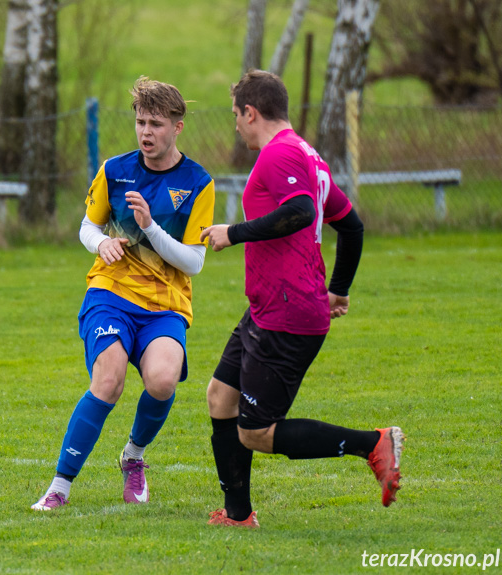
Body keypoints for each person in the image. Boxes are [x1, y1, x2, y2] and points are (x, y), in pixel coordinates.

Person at [199, 70, 404, 528]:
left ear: (251, 112)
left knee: (254, 432)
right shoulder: (308, 156)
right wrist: (339, 288)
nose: (235, 125)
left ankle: (371, 443)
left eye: (236, 116)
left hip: (286, 314)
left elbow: (301, 213)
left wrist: (232, 233)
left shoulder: (281, 154)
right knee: (220, 397)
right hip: (270, 306)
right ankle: (238, 515)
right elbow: (350, 226)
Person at [31, 77, 215, 511]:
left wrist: (150, 227)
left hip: (165, 305)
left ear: (177, 127)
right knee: (108, 380)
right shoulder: (115, 169)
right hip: (111, 294)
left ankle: (133, 456)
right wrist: (101, 244)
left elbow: (194, 262)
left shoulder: (197, 182)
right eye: (140, 122)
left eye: (155, 124)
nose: (146, 132)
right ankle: (60, 486)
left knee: (163, 379)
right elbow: (87, 227)